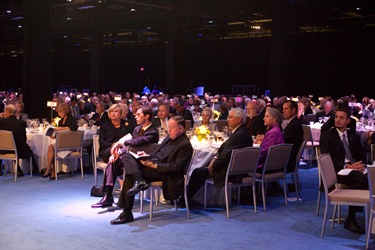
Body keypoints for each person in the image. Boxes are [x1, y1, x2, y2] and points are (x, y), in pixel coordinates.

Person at [109, 116, 193, 224]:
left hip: (166, 173)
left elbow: (176, 167)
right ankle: (139, 181)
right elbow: (159, 153)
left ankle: (127, 211)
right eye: (168, 128)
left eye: (172, 128)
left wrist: (155, 166)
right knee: (127, 156)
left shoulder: (185, 144)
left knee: (130, 176)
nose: (169, 130)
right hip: (155, 165)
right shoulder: (170, 137)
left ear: (181, 129)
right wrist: (147, 155)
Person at [91, 105, 159, 208]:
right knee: (113, 160)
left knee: (117, 160)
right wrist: (118, 153)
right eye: (135, 114)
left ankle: (107, 194)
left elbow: (137, 142)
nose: (135, 117)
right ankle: (108, 195)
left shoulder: (153, 132)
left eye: (139, 115)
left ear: (147, 116)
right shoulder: (137, 129)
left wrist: (120, 143)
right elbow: (131, 146)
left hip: (142, 161)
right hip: (130, 157)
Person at [320, 107, 368, 234]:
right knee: (360, 178)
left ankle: (368, 213)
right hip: (337, 171)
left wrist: (360, 165)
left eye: (341, 118)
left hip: (355, 168)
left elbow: (362, 155)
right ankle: (351, 219)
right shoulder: (327, 136)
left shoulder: (353, 136)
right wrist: (348, 167)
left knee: (369, 177)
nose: (338, 120)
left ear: (348, 121)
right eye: (336, 117)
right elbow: (328, 159)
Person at [188, 108, 253, 199]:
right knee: (203, 168)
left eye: (230, 117)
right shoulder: (242, 132)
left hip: (230, 173)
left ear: (239, 120)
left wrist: (213, 165)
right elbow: (224, 151)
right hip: (237, 169)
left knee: (197, 172)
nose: (227, 119)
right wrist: (214, 158)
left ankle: (185, 199)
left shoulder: (238, 135)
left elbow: (225, 156)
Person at [42, 103, 78, 179]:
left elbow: (74, 127)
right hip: (62, 143)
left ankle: (51, 172)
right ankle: (50, 169)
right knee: (51, 147)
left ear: (65, 111)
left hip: (70, 145)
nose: (58, 114)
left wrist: (62, 128)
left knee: (52, 149)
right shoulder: (61, 120)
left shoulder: (71, 119)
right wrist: (53, 136)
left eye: (60, 112)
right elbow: (60, 134)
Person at [0, 104, 34, 176]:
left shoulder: (1, 122)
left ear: (8, 113)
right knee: (29, 150)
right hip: (18, 149)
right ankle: (36, 169)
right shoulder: (21, 123)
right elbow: (24, 139)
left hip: (2, 149)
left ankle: (15, 170)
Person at [281, 100, 303, 173]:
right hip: (288, 158)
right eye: (283, 109)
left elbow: (283, 141)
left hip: (288, 162)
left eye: (286, 109)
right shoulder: (293, 122)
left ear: (293, 110)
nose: (283, 111)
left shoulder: (294, 125)